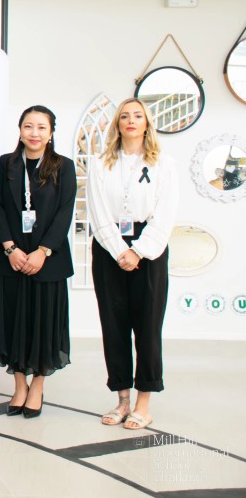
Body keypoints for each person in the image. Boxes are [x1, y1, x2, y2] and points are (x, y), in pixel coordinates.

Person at [87, 98, 177, 430]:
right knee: (114, 326)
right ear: (117, 124)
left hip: (149, 250)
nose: (131, 120)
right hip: (109, 246)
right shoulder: (101, 163)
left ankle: (143, 404)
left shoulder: (163, 163)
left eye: (138, 115)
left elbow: (165, 215)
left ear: (146, 123)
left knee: (148, 328)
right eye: (124, 116)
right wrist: (118, 250)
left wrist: (138, 251)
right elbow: (97, 212)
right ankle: (122, 399)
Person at [0, 106, 76, 418]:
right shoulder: (6, 164)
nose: (34, 133)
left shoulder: (63, 166)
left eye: (41, 127)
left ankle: (37, 384)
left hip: (47, 260)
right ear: (20, 130)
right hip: (12, 258)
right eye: (28, 126)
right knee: (14, 321)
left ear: (51, 133)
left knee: (44, 323)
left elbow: (65, 211)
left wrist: (43, 251)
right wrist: (10, 248)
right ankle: (19, 385)